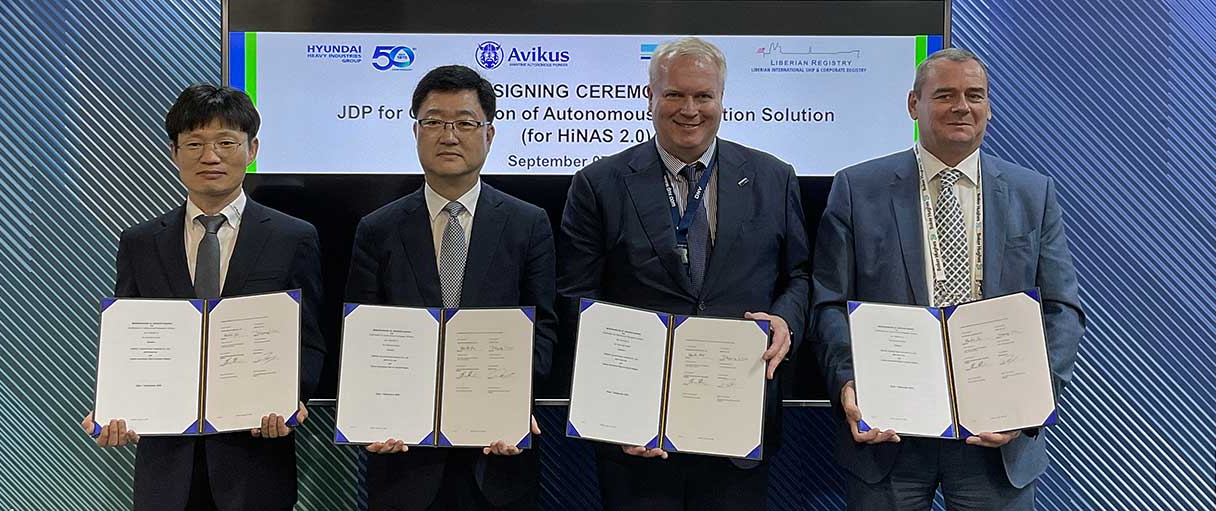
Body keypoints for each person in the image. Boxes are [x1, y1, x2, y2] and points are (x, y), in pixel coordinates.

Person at [810, 48, 1085, 510]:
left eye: (975, 95)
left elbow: (1063, 310)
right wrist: (847, 383)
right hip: (889, 434)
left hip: (995, 436)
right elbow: (829, 302)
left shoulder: (1032, 192)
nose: (962, 106)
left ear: (989, 107)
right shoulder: (858, 188)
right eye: (945, 95)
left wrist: (1030, 401)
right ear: (913, 104)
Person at [557, 37, 810, 510]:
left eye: (703, 96)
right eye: (674, 94)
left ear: (721, 99)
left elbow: (798, 277)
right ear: (649, 96)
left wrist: (786, 321)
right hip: (637, 435)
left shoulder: (774, 177)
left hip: (739, 424)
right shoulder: (599, 184)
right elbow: (576, 296)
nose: (689, 109)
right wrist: (616, 410)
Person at [80, 84, 326, 510]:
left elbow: (311, 339)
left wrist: (292, 397)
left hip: (256, 455)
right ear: (173, 153)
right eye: (194, 143)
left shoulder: (293, 238)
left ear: (252, 149)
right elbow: (129, 343)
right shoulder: (140, 242)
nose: (210, 157)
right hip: (166, 465)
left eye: (226, 142)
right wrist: (114, 407)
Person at [345, 64, 555, 511]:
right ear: (415, 130)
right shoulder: (377, 229)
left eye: (464, 122)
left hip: (498, 459)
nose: (449, 135)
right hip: (403, 461)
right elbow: (362, 338)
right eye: (434, 122)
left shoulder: (528, 224)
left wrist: (511, 405)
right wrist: (372, 414)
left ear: (490, 134)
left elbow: (544, 332)